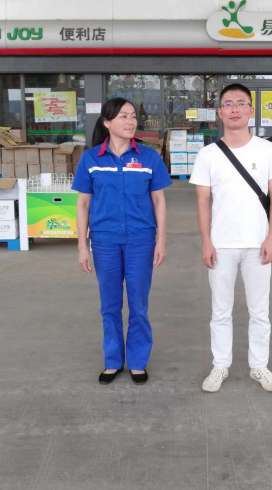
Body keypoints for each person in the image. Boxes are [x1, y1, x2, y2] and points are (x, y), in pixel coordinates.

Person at [189, 83, 272, 393]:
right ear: (219, 112)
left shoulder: (268, 150)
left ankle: (259, 366)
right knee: (220, 311)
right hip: (221, 245)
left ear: (250, 111)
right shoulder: (207, 155)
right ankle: (220, 365)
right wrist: (206, 241)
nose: (234, 109)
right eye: (228, 104)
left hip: (258, 244)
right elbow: (202, 202)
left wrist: (271, 238)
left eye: (240, 103)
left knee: (260, 311)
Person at [72, 98, 172, 385]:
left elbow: (159, 201)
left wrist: (161, 241)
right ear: (107, 122)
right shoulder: (91, 159)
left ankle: (138, 361)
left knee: (138, 304)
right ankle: (113, 360)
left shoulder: (149, 157)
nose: (131, 121)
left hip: (141, 240)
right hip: (105, 242)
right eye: (123, 116)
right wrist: (82, 246)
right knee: (110, 305)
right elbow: (83, 205)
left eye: (133, 116)